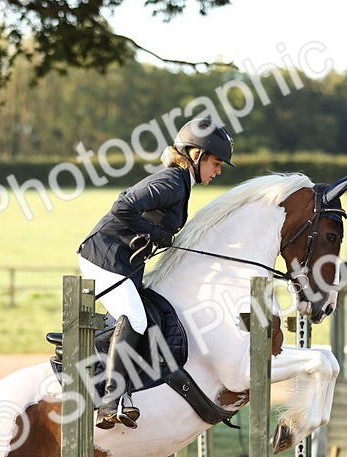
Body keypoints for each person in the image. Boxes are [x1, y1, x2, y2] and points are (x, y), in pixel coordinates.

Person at [76, 116, 235, 429]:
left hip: (123, 263)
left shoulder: (181, 183)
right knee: (135, 319)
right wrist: (155, 232)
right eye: (216, 163)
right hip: (104, 259)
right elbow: (122, 207)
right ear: (196, 155)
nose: (217, 171)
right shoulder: (171, 182)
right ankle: (111, 400)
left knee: (145, 318)